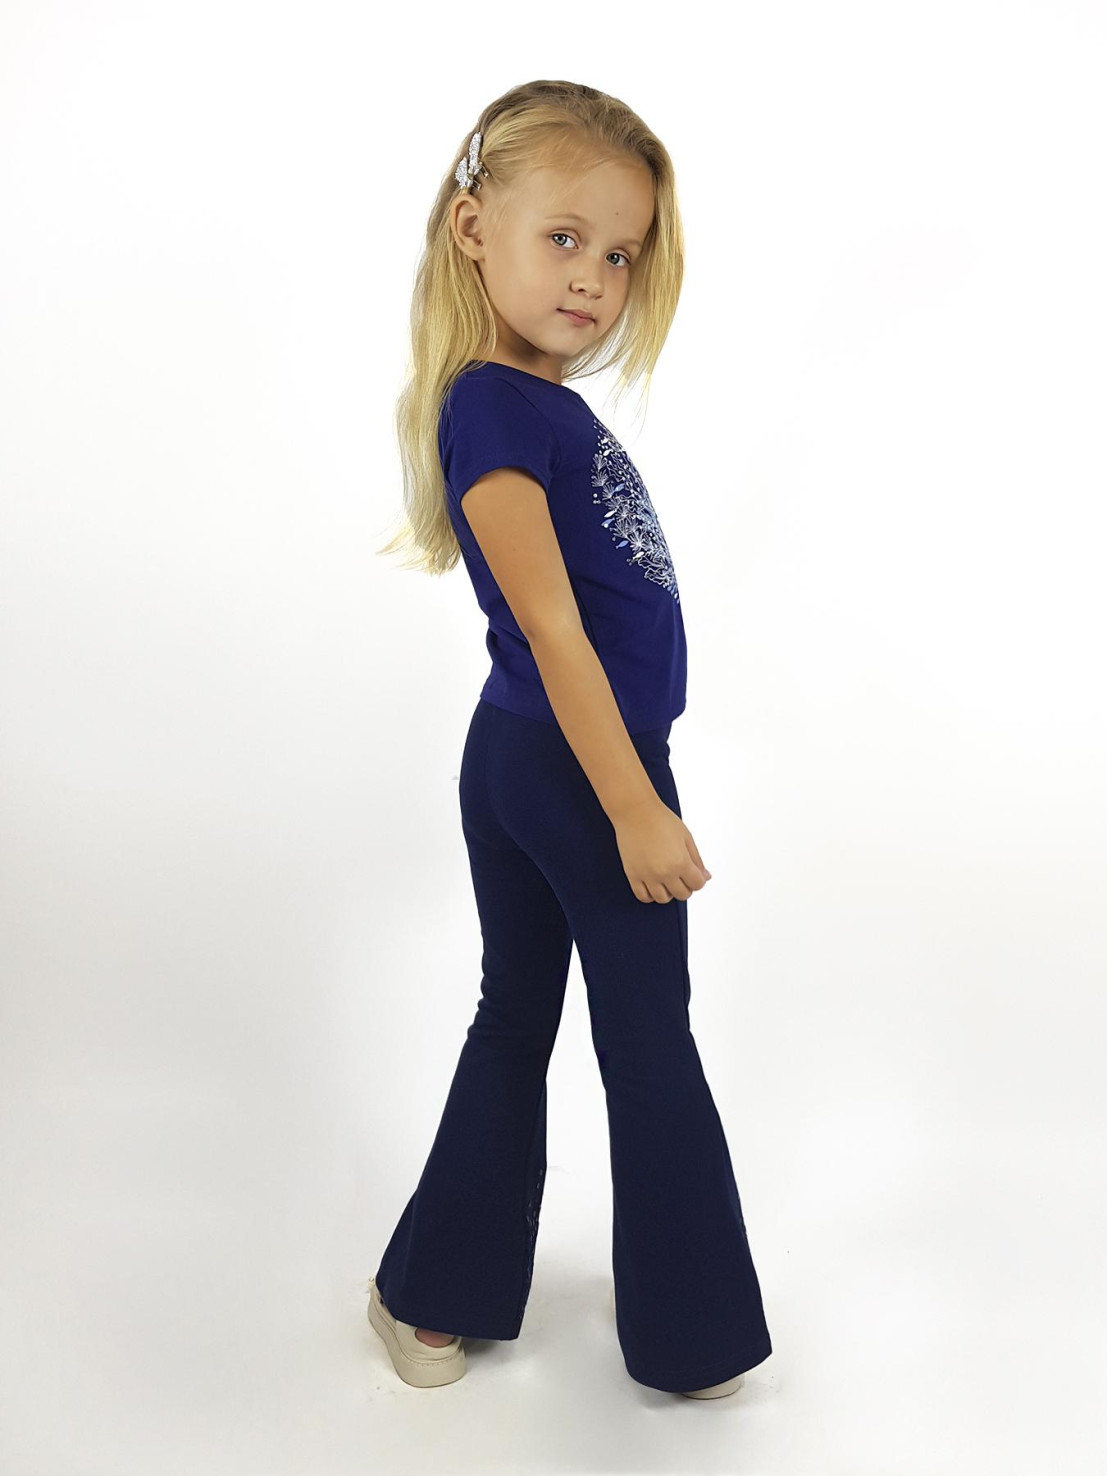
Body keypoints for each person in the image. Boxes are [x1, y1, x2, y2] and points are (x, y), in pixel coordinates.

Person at [367, 79, 773, 1399]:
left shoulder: (537, 403)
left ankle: (430, 1292)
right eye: (564, 237)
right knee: (649, 1036)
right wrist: (635, 807)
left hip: (533, 757)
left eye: (621, 254)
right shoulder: (492, 407)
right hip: (578, 765)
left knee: (522, 1011)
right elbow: (551, 624)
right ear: (473, 227)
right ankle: (694, 1338)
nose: (595, 276)